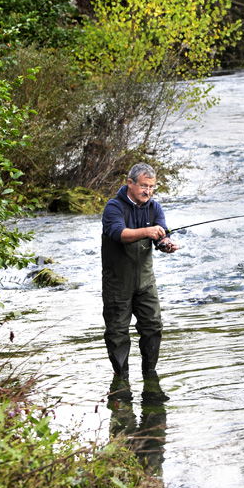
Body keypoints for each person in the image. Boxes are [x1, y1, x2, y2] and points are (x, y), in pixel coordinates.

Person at [101, 163, 178, 380]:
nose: (148, 191)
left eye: (152, 187)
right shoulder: (114, 207)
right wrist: (148, 231)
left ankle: (150, 373)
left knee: (153, 326)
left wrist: (166, 244)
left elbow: (161, 237)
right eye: (144, 186)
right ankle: (121, 377)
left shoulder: (155, 208)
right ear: (130, 183)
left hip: (145, 283)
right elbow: (119, 234)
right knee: (117, 332)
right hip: (117, 283)